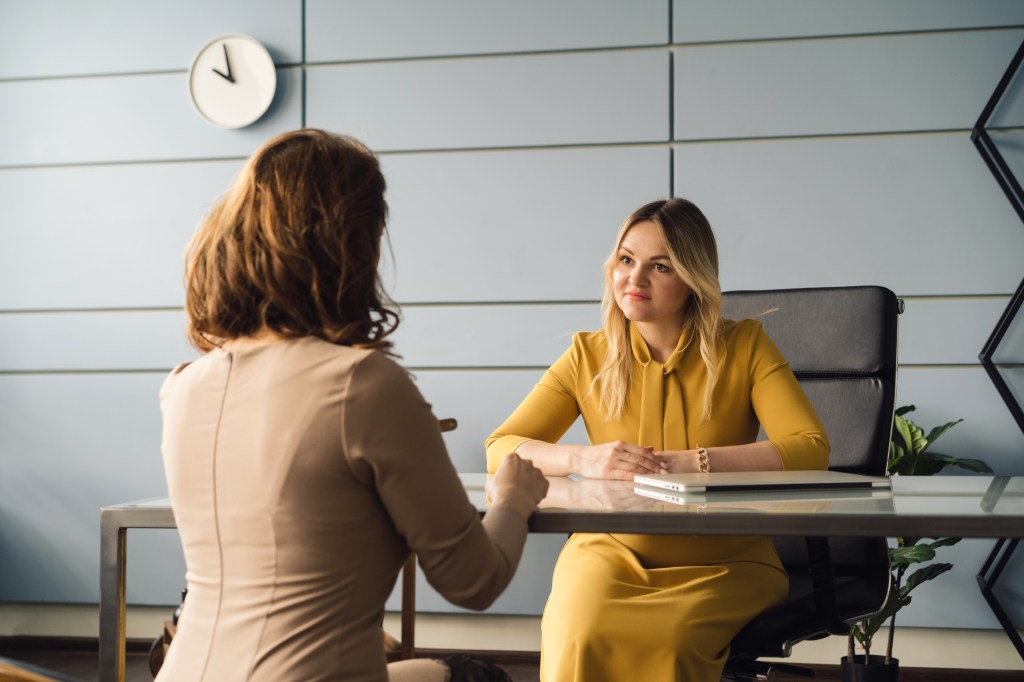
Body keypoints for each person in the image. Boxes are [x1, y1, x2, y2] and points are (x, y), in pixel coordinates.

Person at [157, 128, 549, 682]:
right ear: (356, 242)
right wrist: (513, 502)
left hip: (184, 673)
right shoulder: (364, 384)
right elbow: (474, 581)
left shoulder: (183, 386)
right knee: (476, 677)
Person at [485, 198, 829, 681]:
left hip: (726, 561)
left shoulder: (746, 344)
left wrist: (695, 463)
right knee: (580, 631)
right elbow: (501, 447)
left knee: (672, 643)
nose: (635, 279)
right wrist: (584, 457)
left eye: (659, 266)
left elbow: (811, 446)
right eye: (626, 260)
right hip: (608, 552)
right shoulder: (587, 354)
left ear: (692, 277)